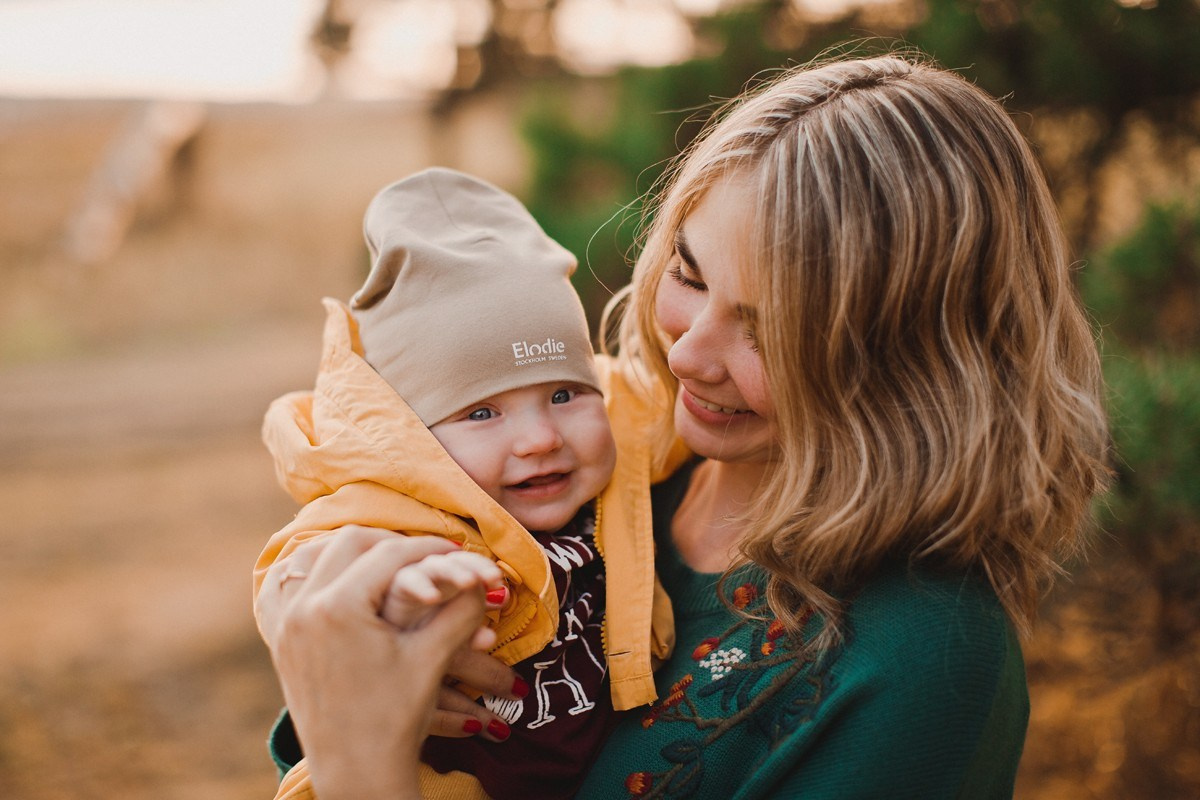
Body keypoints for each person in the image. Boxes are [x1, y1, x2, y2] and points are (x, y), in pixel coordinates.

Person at [262, 52, 1111, 799]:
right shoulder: (605, 472)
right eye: (690, 274)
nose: (690, 356)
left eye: (772, 329)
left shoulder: (922, 658)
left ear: (918, 363)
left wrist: (360, 770)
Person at [253, 168, 684, 800]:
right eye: (482, 412)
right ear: (416, 434)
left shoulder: (619, 444)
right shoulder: (399, 504)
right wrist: (393, 589)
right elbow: (297, 571)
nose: (539, 438)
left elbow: (681, 412)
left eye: (564, 394)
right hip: (441, 777)